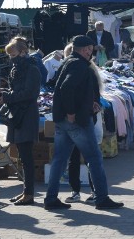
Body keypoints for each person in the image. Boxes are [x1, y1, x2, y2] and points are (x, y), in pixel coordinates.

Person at [45, 35, 124, 210]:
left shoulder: (68, 62)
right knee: (94, 158)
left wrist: (91, 103)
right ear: (84, 49)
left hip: (62, 120)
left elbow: (76, 90)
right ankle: (102, 198)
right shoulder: (78, 64)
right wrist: (72, 112)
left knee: (59, 159)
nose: (91, 52)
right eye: (89, 49)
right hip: (77, 121)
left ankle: (50, 198)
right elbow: (67, 88)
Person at [0, 37, 42, 205]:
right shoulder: (17, 68)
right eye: (9, 55)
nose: (11, 57)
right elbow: (17, 90)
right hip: (18, 114)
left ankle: (29, 194)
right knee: (21, 156)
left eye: (13, 54)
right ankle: (25, 193)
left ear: (23, 52)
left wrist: (7, 96)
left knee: (26, 157)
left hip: (26, 115)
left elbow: (30, 94)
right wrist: (2, 91)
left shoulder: (32, 69)